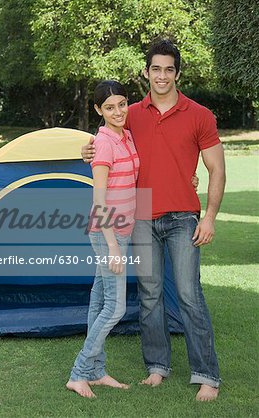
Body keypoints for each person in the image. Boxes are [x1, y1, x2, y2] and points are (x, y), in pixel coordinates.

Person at [81, 40, 226, 402]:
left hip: (183, 217)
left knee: (190, 295)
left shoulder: (200, 115)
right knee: (150, 296)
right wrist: (87, 150)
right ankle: (157, 367)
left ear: (177, 73)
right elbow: (106, 139)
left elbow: (217, 170)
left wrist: (208, 217)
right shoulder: (130, 113)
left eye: (169, 69)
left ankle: (207, 374)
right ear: (146, 72)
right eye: (155, 69)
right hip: (140, 217)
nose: (162, 76)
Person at [66, 80, 139, 398]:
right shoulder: (105, 142)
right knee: (115, 307)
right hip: (108, 233)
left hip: (121, 230)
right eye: (109, 107)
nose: (118, 111)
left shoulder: (128, 135)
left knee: (99, 302)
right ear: (98, 110)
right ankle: (79, 372)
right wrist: (112, 246)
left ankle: (96, 372)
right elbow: (99, 199)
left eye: (122, 104)